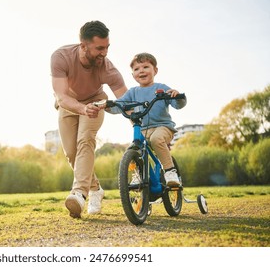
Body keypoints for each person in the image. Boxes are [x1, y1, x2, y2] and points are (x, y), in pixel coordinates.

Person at [50, 21, 127, 218]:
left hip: (95, 103)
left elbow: (126, 100)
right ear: (83, 46)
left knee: (85, 140)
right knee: (71, 153)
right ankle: (96, 189)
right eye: (99, 48)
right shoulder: (61, 57)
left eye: (107, 47)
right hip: (69, 104)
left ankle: (79, 194)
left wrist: (144, 124)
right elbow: (61, 96)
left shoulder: (107, 67)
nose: (105, 53)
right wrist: (80, 108)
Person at [107, 52, 186, 186]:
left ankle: (170, 171)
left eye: (145, 67)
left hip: (163, 127)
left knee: (156, 139)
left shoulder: (161, 88)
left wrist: (177, 96)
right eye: (136, 69)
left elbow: (177, 105)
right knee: (133, 149)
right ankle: (139, 175)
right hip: (143, 129)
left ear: (155, 70)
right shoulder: (132, 92)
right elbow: (120, 105)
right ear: (133, 75)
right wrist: (107, 106)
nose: (141, 71)